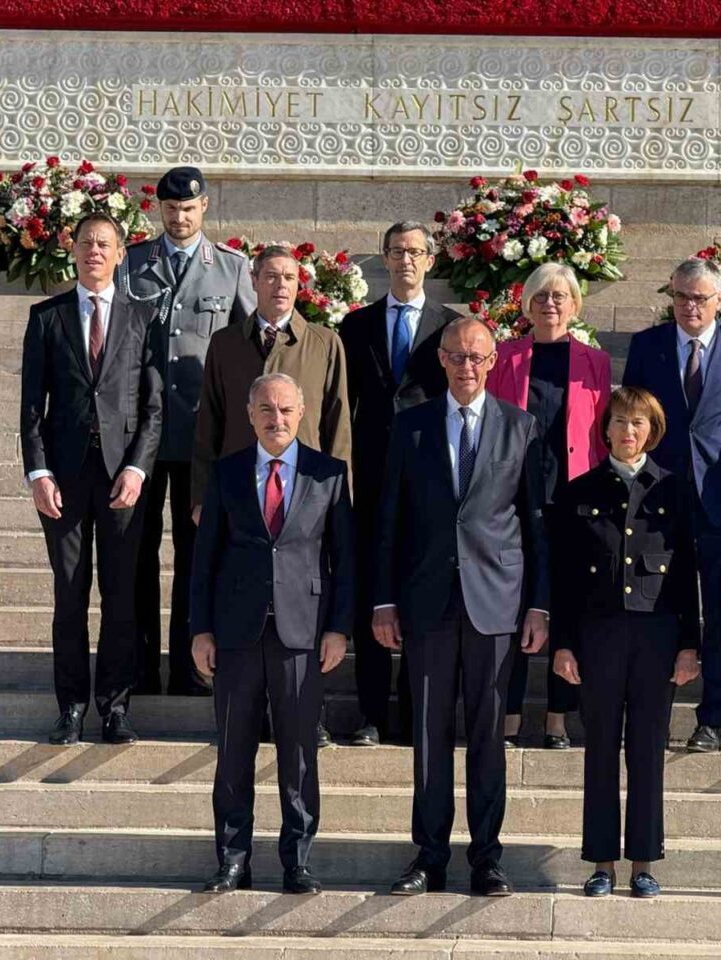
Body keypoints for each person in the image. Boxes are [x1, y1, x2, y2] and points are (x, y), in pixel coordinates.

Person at [372, 317, 549, 898]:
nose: (466, 365)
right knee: (428, 735)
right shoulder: (411, 425)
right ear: (441, 360)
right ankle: (429, 856)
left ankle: (486, 858)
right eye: (455, 355)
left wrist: (539, 606)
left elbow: (534, 523)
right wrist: (384, 600)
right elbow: (389, 518)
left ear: (493, 361)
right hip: (426, 603)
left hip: (495, 604)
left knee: (488, 736)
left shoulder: (520, 426)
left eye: (476, 356)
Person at [191, 373, 353, 895]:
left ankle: (297, 861)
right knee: (233, 752)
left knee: (299, 754)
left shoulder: (329, 474)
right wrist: (201, 630)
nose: (275, 419)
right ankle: (232, 860)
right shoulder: (227, 473)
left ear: (301, 412)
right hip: (236, 634)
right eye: (265, 409)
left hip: (302, 634)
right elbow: (204, 559)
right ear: (250, 414)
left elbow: (345, 559)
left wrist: (338, 628)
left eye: (285, 409)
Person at [192, 244, 351, 743]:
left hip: (309, 496)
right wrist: (200, 493)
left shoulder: (324, 343)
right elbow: (209, 421)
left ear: (300, 285)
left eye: (289, 277)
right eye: (270, 276)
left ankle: (307, 715)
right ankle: (242, 712)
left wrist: (341, 494)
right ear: (253, 281)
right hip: (240, 494)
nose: (280, 285)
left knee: (305, 604)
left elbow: (339, 423)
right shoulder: (225, 343)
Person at [20, 212, 163, 745]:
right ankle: (72, 706)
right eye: (86, 243)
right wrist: (39, 472)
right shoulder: (46, 317)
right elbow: (31, 406)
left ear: (121, 254)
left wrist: (138, 468)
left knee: (121, 596)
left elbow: (154, 407)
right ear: (72, 250)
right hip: (65, 479)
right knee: (70, 595)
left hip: (122, 478)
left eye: (105, 243)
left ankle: (116, 707)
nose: (95, 251)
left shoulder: (143, 316)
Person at [551, 386, 700, 898]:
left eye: (638, 423)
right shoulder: (580, 491)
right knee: (599, 749)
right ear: (605, 429)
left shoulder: (674, 490)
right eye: (619, 421)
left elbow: (687, 574)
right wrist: (563, 644)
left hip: (657, 636)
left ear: (652, 431)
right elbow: (565, 579)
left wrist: (690, 643)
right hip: (599, 635)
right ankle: (602, 863)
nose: (628, 431)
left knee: (647, 749)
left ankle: (643, 862)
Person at [622, 257, 721, 754]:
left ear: (720, 301)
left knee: (720, 606)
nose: (690, 306)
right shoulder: (647, 346)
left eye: (700, 298)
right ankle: (653, 714)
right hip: (658, 498)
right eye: (682, 297)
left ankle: (711, 718)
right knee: (659, 605)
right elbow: (632, 420)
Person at [121, 165, 255, 697]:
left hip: (203, 438)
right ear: (160, 209)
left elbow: (248, 347)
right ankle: (137, 666)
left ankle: (189, 668)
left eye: (188, 209)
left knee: (197, 554)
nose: (179, 218)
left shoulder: (231, 268)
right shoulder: (133, 263)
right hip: (140, 437)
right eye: (171, 209)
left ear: (204, 208)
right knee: (135, 552)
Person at [339, 220, 460, 747]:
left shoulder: (450, 326)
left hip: (429, 479)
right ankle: (370, 713)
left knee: (421, 595)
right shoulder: (356, 325)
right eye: (396, 251)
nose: (405, 260)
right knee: (373, 590)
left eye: (414, 251)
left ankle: (414, 714)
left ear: (430, 260)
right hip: (370, 476)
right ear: (384, 258)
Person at [487, 262, 612, 749]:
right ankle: (510, 714)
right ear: (527, 304)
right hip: (515, 495)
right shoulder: (505, 357)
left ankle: (558, 715)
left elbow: (599, 433)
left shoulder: (594, 362)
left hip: (572, 496)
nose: (550, 304)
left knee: (567, 604)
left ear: (575, 304)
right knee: (515, 604)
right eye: (541, 296)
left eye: (560, 296)